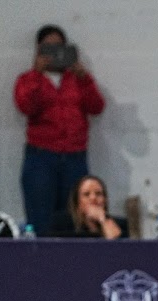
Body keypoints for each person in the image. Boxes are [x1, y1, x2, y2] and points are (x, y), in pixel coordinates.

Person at [14, 25, 105, 236]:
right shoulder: (27, 79)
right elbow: (25, 106)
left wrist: (85, 79)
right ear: (38, 49)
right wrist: (37, 73)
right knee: (41, 220)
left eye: (59, 47)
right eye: (48, 48)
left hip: (75, 158)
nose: (54, 52)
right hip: (41, 158)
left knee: (75, 220)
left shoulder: (77, 79)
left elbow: (96, 107)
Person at [48, 175, 127, 238]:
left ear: (105, 200)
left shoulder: (120, 225)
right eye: (86, 194)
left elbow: (118, 248)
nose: (93, 198)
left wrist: (103, 219)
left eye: (98, 194)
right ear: (77, 202)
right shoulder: (61, 224)